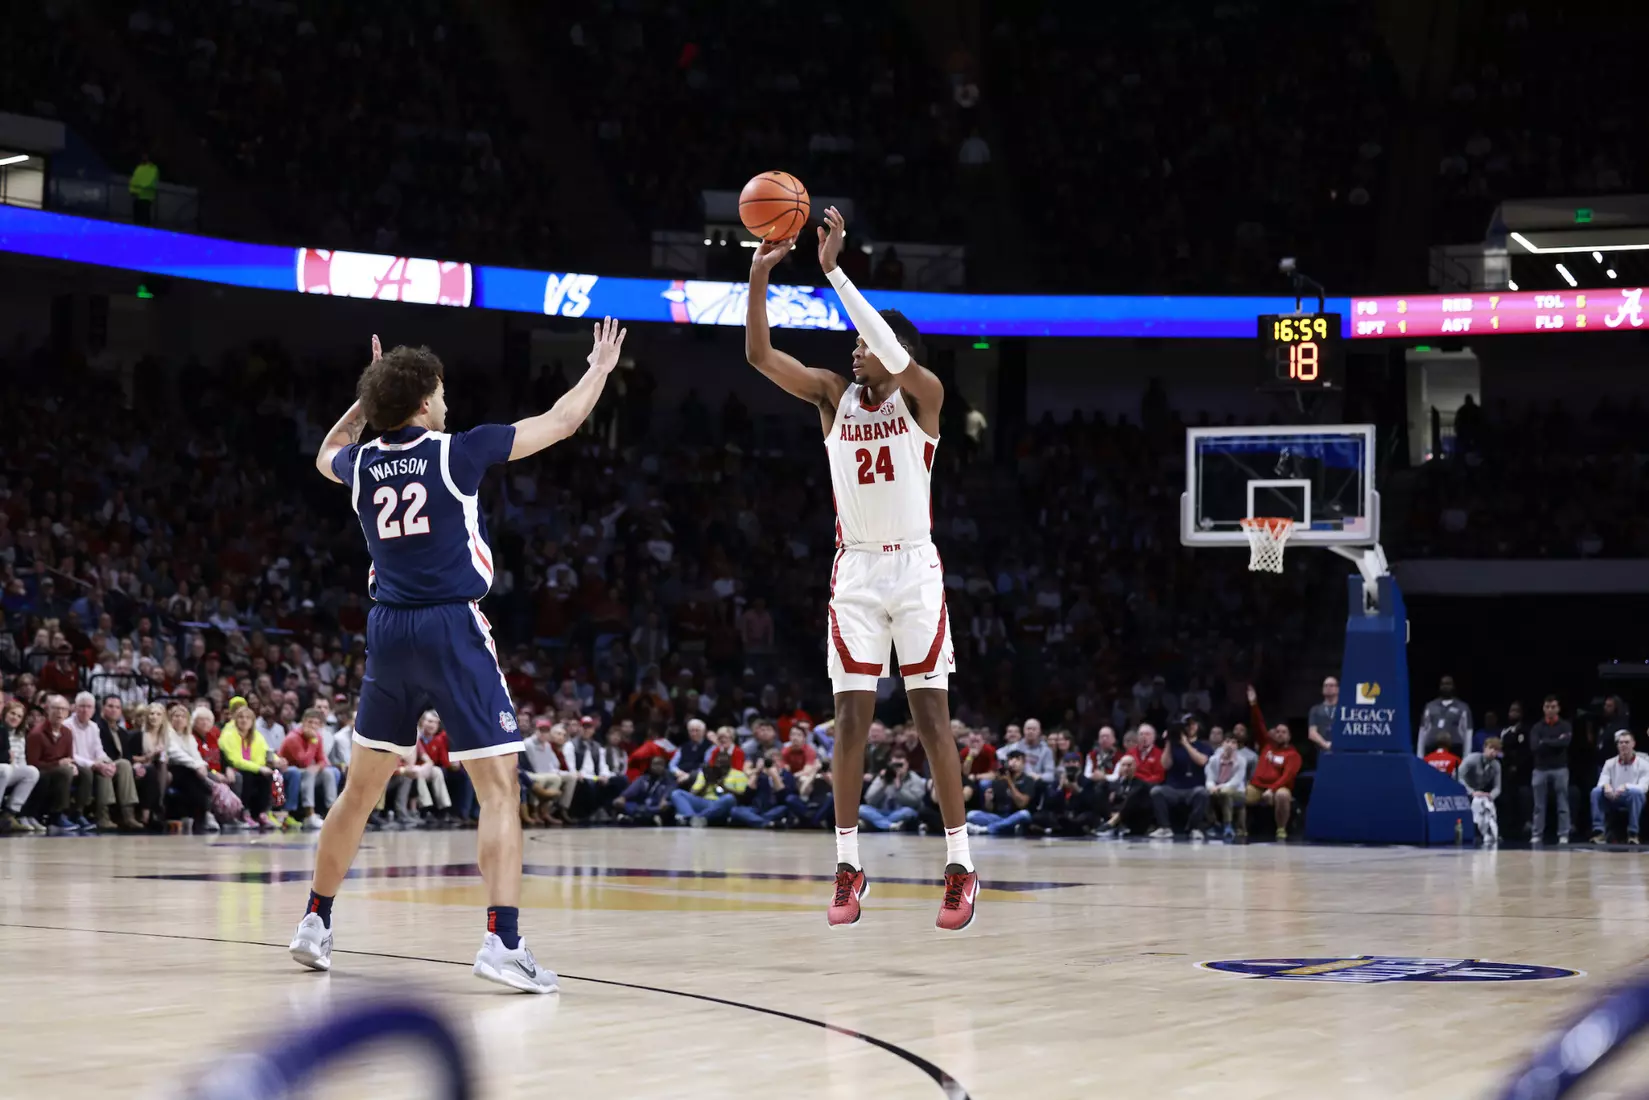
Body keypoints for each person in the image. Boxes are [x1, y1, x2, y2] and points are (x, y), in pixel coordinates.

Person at [289, 320, 626, 993]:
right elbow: (560, 422)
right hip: (450, 627)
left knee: (360, 791)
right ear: (422, 405)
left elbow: (328, 447)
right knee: (498, 788)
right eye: (438, 393)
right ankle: (502, 941)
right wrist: (599, 370)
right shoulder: (455, 453)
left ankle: (314, 924)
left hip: (387, 629)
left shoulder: (360, 466)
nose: (446, 402)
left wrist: (369, 397)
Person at [745, 206, 976, 930]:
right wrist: (758, 279)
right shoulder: (829, 398)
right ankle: (848, 865)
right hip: (855, 572)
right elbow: (759, 357)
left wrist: (835, 272)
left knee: (931, 716)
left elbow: (892, 354)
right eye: (850, 344)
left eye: (864, 345)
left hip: (914, 570)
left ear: (895, 352)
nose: (853, 353)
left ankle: (960, 866)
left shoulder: (923, 399)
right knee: (849, 719)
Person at [1245, 688, 1302, 841]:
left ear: (1289, 736)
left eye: (1284, 732)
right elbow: (1258, 724)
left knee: (1283, 795)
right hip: (1257, 786)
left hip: (1277, 788)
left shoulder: (1293, 755)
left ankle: (1281, 829)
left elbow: (1288, 776)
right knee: (1238, 794)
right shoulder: (1267, 745)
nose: (1280, 734)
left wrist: (1272, 789)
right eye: (1277, 731)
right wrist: (1253, 704)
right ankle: (1239, 827)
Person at [218, 702, 279, 829]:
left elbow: (267, 751)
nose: (244, 720)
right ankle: (243, 812)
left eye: (247, 718)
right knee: (248, 775)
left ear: (252, 721)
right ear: (235, 720)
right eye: (240, 717)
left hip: (254, 768)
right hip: (233, 768)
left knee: (268, 775)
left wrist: (277, 760)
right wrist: (259, 768)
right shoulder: (228, 735)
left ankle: (261, 813)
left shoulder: (257, 736)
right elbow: (235, 760)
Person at [1149, 718, 1211, 840]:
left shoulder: (1204, 746)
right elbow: (1165, 765)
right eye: (1187, 725)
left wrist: (1185, 743)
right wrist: (1168, 742)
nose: (1189, 728)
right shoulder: (1173, 746)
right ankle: (1165, 828)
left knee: (1202, 793)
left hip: (1193, 789)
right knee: (1156, 791)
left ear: (1197, 727)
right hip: (1173, 788)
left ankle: (1194, 828)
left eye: (1192, 724)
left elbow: (1202, 761)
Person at [1591, 730, 1648, 845]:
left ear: (1633, 744)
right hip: (1613, 796)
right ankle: (1599, 832)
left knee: (1636, 794)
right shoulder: (1610, 763)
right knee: (1596, 792)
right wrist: (1607, 787)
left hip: (1631, 796)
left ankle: (1633, 834)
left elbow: (1644, 787)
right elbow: (1602, 781)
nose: (1623, 745)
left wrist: (1626, 786)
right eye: (1620, 743)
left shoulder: (1644, 763)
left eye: (1627, 742)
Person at [1530, 694, 1573, 845]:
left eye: (1553, 707)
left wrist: (1545, 742)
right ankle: (1537, 834)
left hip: (1560, 768)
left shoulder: (1565, 725)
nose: (1550, 710)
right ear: (1543, 708)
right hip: (1540, 769)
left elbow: (1565, 743)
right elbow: (1535, 747)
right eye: (1547, 707)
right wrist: (1555, 742)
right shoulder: (1537, 727)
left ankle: (1563, 834)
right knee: (1539, 805)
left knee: (1562, 803)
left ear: (1558, 708)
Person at [965, 752, 1040, 836]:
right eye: (1011, 759)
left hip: (1016, 815)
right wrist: (988, 800)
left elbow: (1021, 804)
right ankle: (1007, 827)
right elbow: (990, 809)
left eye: (1017, 759)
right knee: (971, 815)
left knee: (1024, 814)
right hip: (1000, 817)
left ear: (1023, 763)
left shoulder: (1028, 780)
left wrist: (1009, 782)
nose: (1014, 762)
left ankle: (987, 829)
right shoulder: (999, 780)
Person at [1033, 752, 1101, 836]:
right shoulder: (1057, 781)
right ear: (1064, 764)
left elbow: (1091, 804)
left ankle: (1060, 828)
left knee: (1087, 816)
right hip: (1061, 814)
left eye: (1074, 762)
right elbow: (1049, 802)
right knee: (1040, 816)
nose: (1071, 765)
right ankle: (1063, 827)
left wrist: (1077, 790)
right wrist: (1060, 788)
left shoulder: (1087, 782)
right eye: (1068, 762)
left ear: (1079, 764)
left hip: (1079, 814)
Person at [860, 753, 925, 832]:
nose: (897, 768)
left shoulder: (914, 778)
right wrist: (882, 785)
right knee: (861, 809)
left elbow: (915, 802)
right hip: (881, 811)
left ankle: (881, 824)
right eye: (894, 765)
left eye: (900, 765)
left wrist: (899, 789)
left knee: (908, 811)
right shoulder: (883, 777)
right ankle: (890, 825)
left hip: (900, 811)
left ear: (907, 764)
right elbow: (869, 800)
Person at [1458, 737, 1503, 846]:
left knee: (1488, 804)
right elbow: (1458, 777)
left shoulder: (1496, 765)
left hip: (1480, 792)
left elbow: (1497, 787)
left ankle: (1490, 833)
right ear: (1485, 748)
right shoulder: (1471, 759)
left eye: (1496, 750)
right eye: (1491, 748)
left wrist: (1490, 796)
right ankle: (1473, 833)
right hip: (1464, 790)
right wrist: (1471, 792)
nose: (1493, 752)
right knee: (1476, 802)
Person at [1205, 734, 1249, 840]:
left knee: (1225, 793)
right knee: (1203, 794)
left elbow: (1236, 781)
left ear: (1237, 746)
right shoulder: (1213, 760)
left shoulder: (1241, 761)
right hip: (1217, 789)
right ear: (1223, 744)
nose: (1230, 745)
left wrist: (1220, 787)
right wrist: (1211, 787)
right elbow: (1209, 778)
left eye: (1233, 743)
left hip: (1237, 791)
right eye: (1228, 741)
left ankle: (1227, 825)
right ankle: (1213, 823)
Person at [1418, 675, 1472, 756]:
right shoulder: (1430, 706)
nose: (1445, 687)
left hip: (1454, 749)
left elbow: (1468, 733)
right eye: (1443, 684)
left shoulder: (1462, 707)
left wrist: (1467, 757)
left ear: (1453, 686)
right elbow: (1422, 731)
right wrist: (1420, 755)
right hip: (1432, 749)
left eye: (1448, 684)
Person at [616, 755, 676, 824]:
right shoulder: (643, 779)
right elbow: (632, 789)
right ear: (650, 766)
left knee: (668, 806)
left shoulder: (668, 780)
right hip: (642, 805)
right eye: (655, 764)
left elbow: (670, 789)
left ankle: (636, 818)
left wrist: (664, 798)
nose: (658, 767)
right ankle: (635, 818)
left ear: (664, 766)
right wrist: (623, 797)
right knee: (623, 803)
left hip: (657, 805)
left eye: (660, 764)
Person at [1307, 676, 1338, 753]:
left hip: (1342, 750)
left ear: (1338, 689)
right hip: (1322, 751)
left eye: (1331, 685)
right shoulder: (1315, 709)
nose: (1328, 687)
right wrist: (1326, 745)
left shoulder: (1344, 708)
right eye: (1325, 685)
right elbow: (1312, 733)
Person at [129, 153, 159, 225]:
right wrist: (133, 190)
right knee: (138, 219)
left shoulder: (153, 169)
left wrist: (135, 189)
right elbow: (134, 180)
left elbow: (149, 182)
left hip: (145, 197)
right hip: (139, 196)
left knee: (144, 219)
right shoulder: (140, 168)